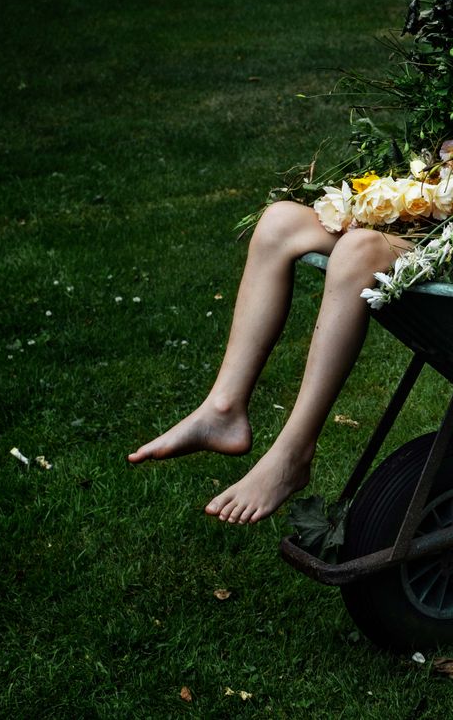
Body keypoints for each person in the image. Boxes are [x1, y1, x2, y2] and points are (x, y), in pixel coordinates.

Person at [127, 200, 410, 524]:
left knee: (359, 248)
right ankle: (223, 408)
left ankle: (293, 453)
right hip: (430, 224)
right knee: (280, 221)